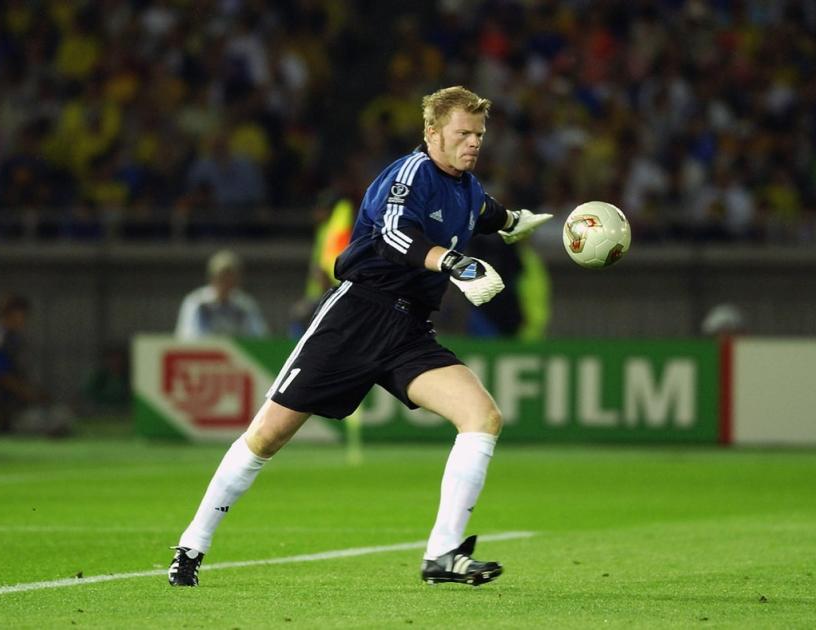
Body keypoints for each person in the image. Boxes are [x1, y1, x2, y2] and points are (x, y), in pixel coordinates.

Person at [167, 86, 552, 587]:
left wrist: (518, 223)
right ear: (432, 133)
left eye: (478, 134)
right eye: (463, 133)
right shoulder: (409, 175)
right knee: (267, 435)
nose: (474, 143)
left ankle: (442, 554)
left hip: (409, 330)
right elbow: (395, 235)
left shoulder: (468, 188)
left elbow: (489, 213)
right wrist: (454, 261)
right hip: (356, 315)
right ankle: (192, 546)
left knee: (482, 416)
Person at [0, 293, 50, 435]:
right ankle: (6, 427)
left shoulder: (14, 338)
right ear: (8, 314)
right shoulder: (0, 341)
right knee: (58, 422)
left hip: (21, 407)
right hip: (10, 410)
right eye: (21, 314)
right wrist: (30, 394)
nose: (24, 319)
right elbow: (3, 376)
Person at [174, 249, 269, 340]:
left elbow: (261, 337)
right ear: (212, 277)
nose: (226, 282)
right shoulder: (196, 302)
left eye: (231, 277)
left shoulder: (246, 305)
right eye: (222, 276)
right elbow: (185, 338)